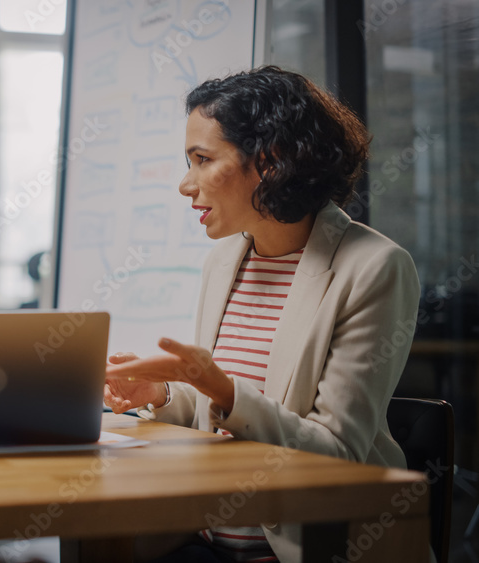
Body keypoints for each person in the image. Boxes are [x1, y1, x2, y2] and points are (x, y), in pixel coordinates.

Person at [103, 66, 420, 562]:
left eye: (202, 160)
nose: (186, 185)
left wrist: (220, 386)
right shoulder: (225, 261)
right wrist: (164, 393)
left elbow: (335, 457)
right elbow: (229, 409)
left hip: (306, 548)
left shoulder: (375, 268)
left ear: (270, 162)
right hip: (207, 540)